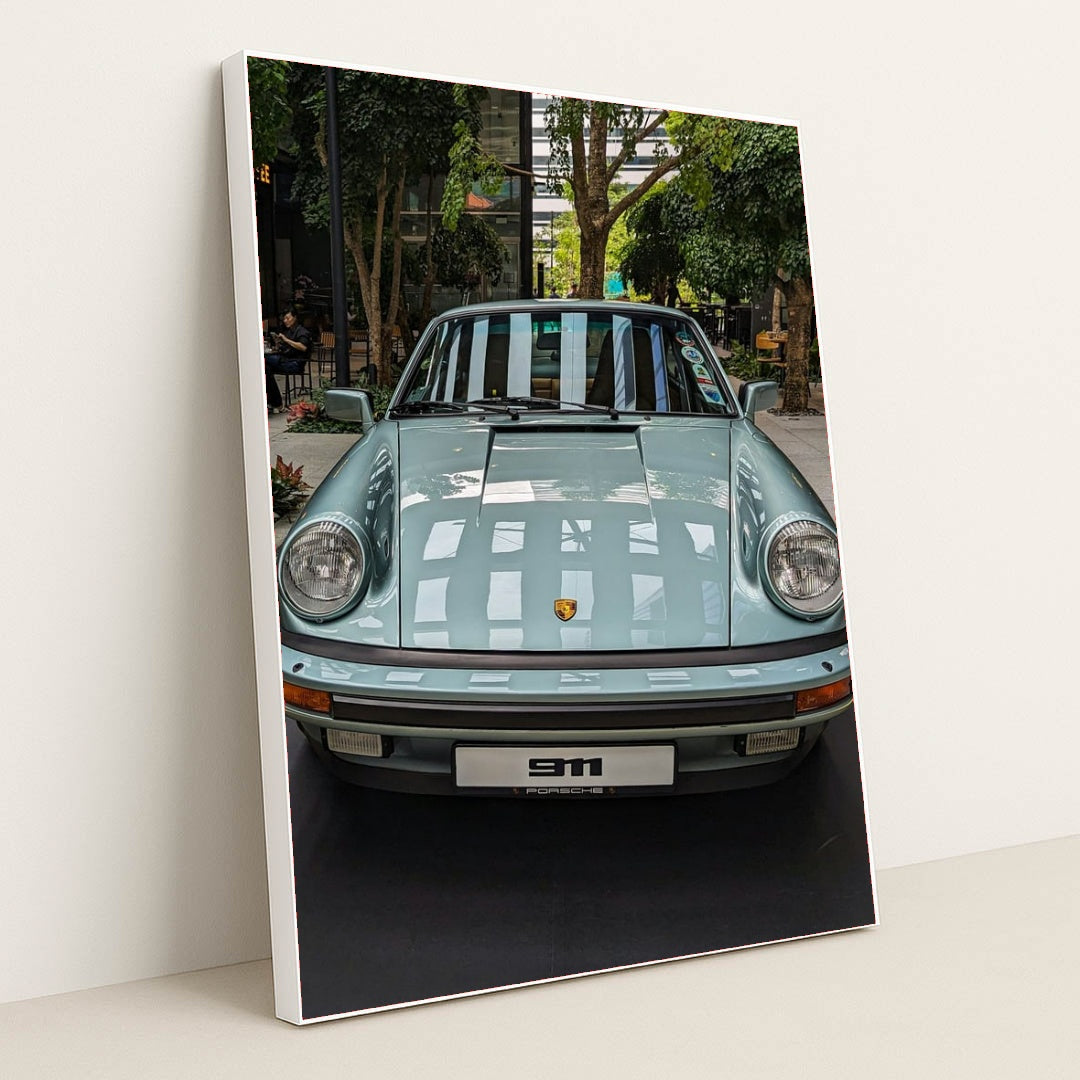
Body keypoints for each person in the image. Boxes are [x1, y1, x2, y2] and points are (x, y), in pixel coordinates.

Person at [264, 308, 312, 412]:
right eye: (284, 318)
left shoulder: (302, 331)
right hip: (285, 360)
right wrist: (279, 343)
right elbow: (286, 348)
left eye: (287, 318)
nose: (285, 320)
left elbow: (303, 347)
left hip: (294, 363)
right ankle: (275, 403)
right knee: (265, 369)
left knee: (264, 359)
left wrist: (286, 340)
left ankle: (275, 402)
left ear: (294, 318)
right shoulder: (287, 331)